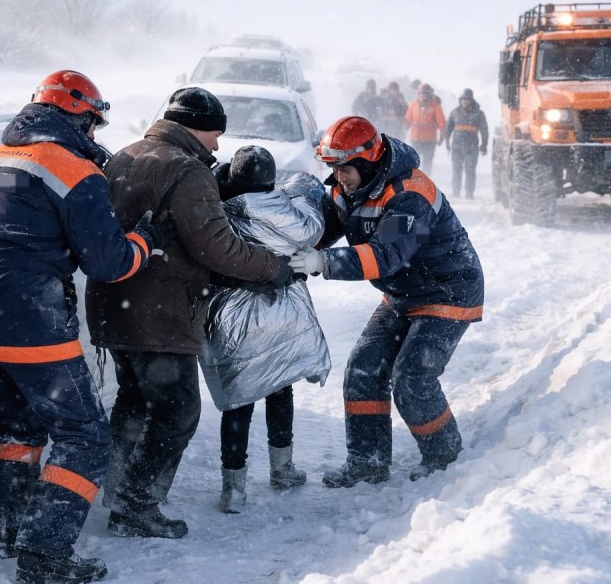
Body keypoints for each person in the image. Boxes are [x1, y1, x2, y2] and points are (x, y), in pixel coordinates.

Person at [0, 70, 173, 584]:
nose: (95, 134)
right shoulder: (71, 169)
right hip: (28, 319)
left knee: (21, 425)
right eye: (93, 123)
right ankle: (45, 552)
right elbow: (109, 263)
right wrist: (142, 239)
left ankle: (7, 534)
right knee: (85, 437)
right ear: (80, 115)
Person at [84, 87, 294, 540]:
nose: (218, 146)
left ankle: (119, 488)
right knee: (178, 410)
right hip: (159, 311)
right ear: (195, 126)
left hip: (111, 305)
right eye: (216, 134)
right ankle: (137, 506)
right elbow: (216, 246)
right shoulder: (187, 169)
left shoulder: (125, 155)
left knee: (135, 398)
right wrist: (271, 267)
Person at [288, 116, 484, 487]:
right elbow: (322, 232)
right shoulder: (345, 191)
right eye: (332, 168)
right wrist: (291, 253)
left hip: (447, 291)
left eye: (344, 168)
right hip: (403, 293)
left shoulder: (411, 196)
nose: (338, 177)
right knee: (363, 368)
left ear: (368, 161)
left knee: (412, 377)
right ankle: (367, 463)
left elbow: (387, 256)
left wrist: (323, 263)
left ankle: (444, 457)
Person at [201, 145, 331, 513]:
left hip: (231, 314)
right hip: (281, 309)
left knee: (238, 401)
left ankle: (233, 489)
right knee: (279, 387)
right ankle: (283, 468)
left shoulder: (217, 212)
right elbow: (313, 219)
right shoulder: (292, 213)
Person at [444, 88, 490, 199]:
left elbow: (484, 130)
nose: (464, 101)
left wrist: (484, 145)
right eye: (462, 99)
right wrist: (447, 143)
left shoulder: (479, 113)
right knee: (456, 170)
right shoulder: (454, 112)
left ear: (471, 100)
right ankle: (456, 192)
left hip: (472, 148)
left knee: (470, 170)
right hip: (456, 147)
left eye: (467, 99)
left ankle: (469, 193)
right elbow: (448, 129)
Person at [403, 83, 447, 172]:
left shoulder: (435, 106)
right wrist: (403, 126)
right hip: (415, 139)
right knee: (414, 162)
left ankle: (426, 180)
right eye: (421, 93)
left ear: (429, 94)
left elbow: (442, 123)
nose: (423, 95)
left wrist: (442, 137)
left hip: (430, 140)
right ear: (418, 94)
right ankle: (414, 180)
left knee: (427, 162)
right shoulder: (413, 105)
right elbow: (407, 120)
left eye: (425, 93)